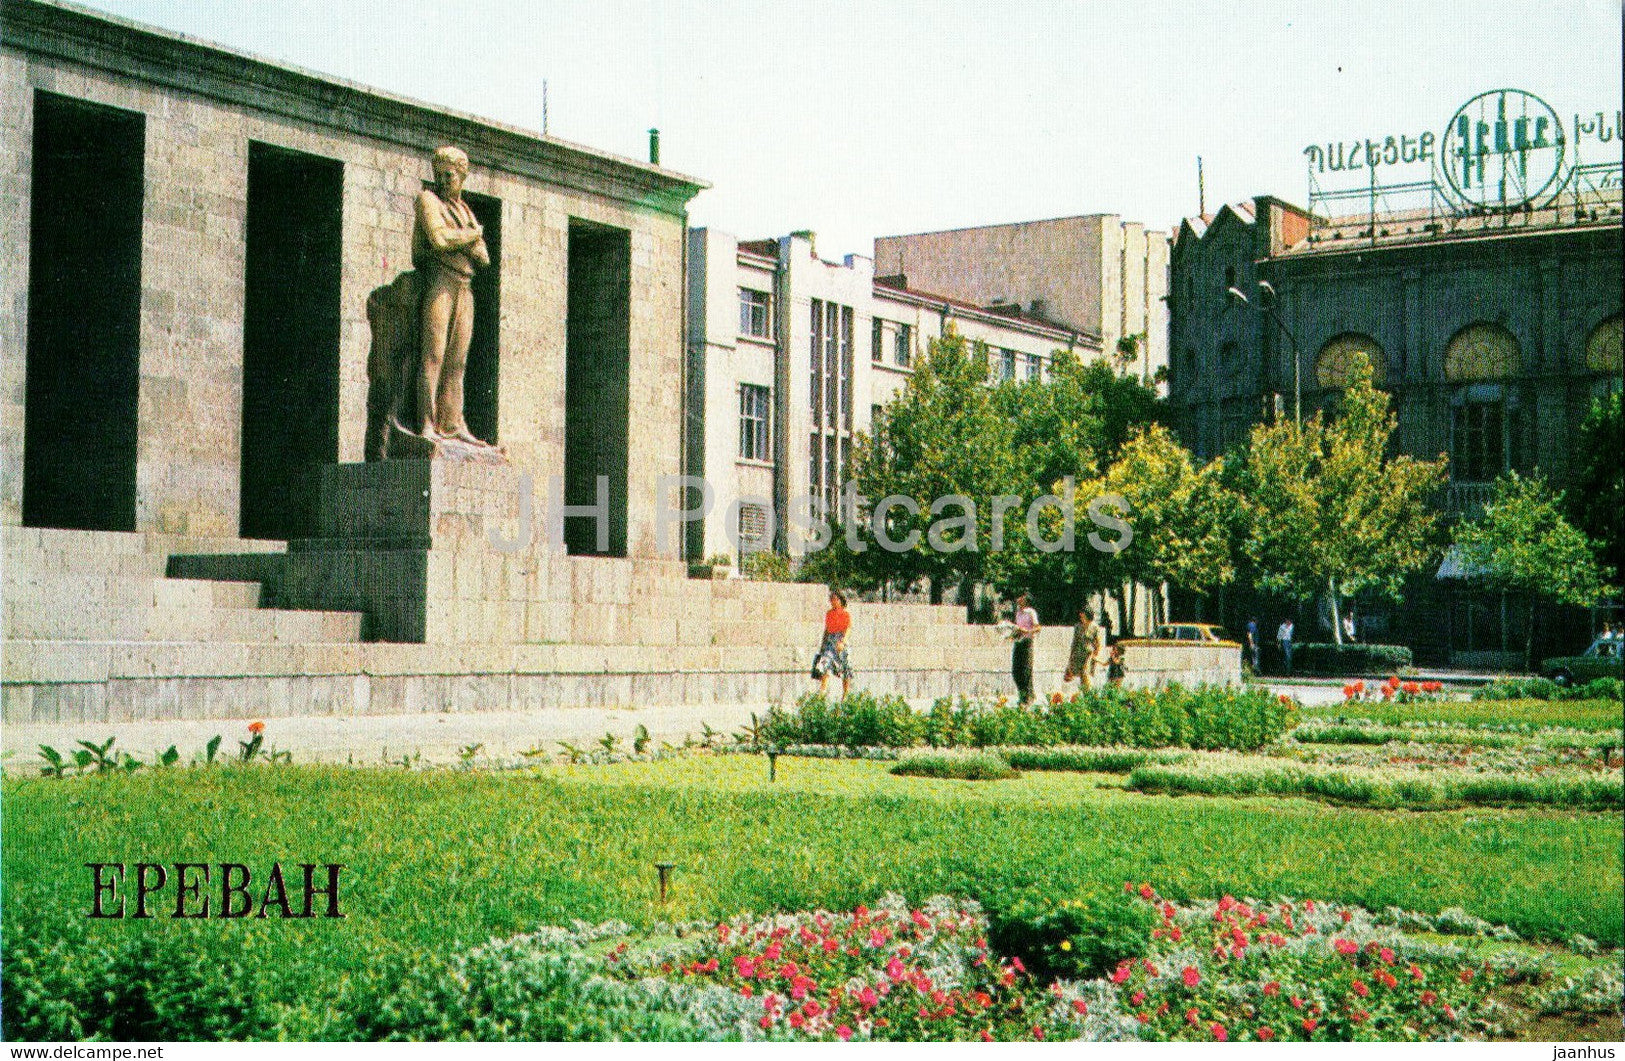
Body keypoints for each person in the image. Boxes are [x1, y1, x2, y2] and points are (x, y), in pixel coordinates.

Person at [413, 145, 490, 444]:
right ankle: (427, 424)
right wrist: (472, 235)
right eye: (439, 175)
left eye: (450, 176)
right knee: (434, 354)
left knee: (457, 359)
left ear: (462, 177)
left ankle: (452, 422)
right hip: (440, 281)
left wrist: (468, 239)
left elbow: (483, 258)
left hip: (465, 286)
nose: (444, 181)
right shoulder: (428, 200)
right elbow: (439, 238)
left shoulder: (464, 210)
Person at [814, 590, 853, 699]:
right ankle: (822, 692)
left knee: (846, 667)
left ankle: (845, 695)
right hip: (830, 641)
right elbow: (826, 630)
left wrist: (843, 642)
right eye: (832, 599)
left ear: (841, 600)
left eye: (835, 599)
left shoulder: (846, 614)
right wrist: (823, 644)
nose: (833, 601)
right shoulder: (829, 614)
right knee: (824, 664)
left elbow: (848, 628)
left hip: (841, 641)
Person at [1064, 607, 1105, 690]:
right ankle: (1085, 695)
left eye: (1083, 614)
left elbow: (1098, 643)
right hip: (1078, 654)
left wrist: (1096, 654)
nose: (1080, 615)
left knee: (1086, 674)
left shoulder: (1094, 627)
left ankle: (1089, 695)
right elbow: (1074, 642)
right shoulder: (1078, 626)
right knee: (1081, 677)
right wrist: (1071, 657)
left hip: (1089, 655)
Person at [1012, 593, 1040, 705]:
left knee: (1026, 671)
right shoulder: (1018, 613)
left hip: (1027, 642)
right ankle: (1022, 694)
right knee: (1016, 671)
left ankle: (1028, 697)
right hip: (1018, 641)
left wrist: (1027, 631)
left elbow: (1037, 627)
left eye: (1021, 598)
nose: (1018, 599)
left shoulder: (1031, 612)